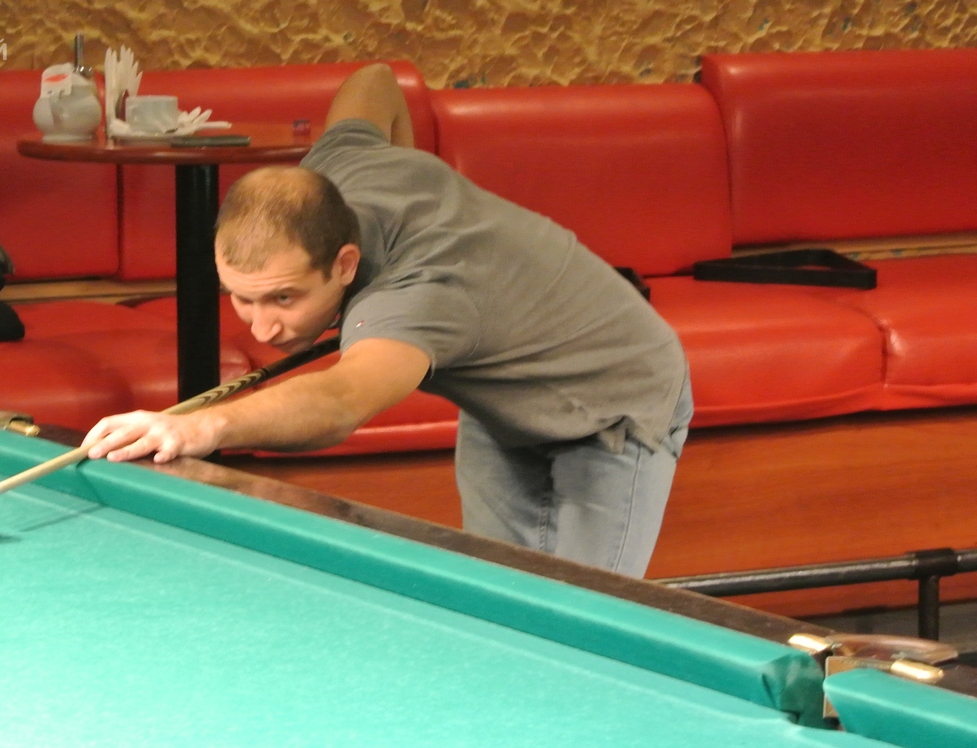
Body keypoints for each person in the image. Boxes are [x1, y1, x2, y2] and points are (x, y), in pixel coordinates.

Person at [84, 64, 693, 577]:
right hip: (506, 398)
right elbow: (374, 81)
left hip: (614, 400)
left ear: (346, 263)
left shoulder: (417, 297)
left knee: (582, 619)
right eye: (242, 299)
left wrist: (201, 427)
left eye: (284, 299)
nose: (261, 329)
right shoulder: (339, 170)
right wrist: (408, 165)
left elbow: (341, 400)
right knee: (503, 598)